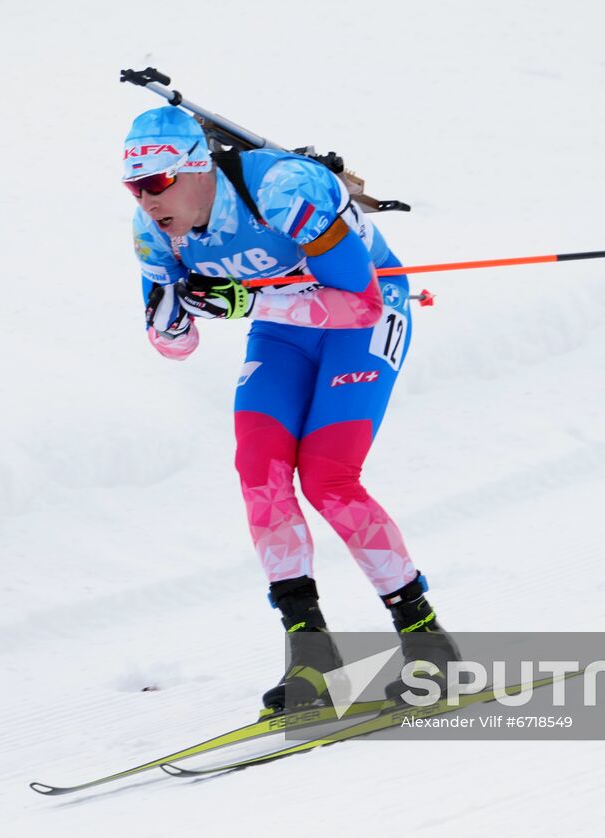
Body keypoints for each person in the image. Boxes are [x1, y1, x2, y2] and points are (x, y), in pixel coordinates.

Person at [123, 106, 457, 716]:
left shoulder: (283, 190)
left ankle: (427, 641)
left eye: (159, 182)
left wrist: (241, 304)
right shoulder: (154, 231)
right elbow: (173, 345)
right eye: (135, 186)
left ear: (198, 169)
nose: (147, 199)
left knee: (329, 477)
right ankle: (311, 652)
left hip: (366, 314)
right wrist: (180, 304)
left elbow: (359, 303)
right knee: (260, 473)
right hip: (284, 330)